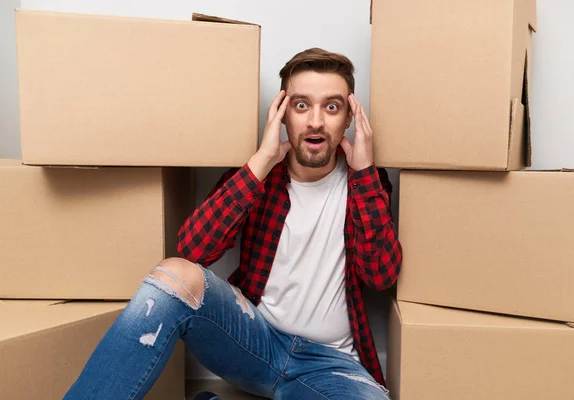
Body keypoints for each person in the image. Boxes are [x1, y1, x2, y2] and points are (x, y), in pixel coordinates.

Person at [65, 48, 402, 400]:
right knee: (174, 274)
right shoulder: (257, 176)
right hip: (254, 343)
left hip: (331, 363)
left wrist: (364, 172)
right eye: (301, 105)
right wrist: (263, 160)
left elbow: (381, 277)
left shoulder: (367, 184)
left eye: (331, 107)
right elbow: (192, 250)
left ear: (349, 117)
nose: (315, 121)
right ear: (282, 114)